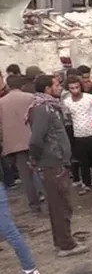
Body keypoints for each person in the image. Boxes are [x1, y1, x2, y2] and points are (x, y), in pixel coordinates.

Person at [27, 75, 89, 257]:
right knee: (60, 205)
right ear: (47, 89)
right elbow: (37, 139)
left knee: (61, 204)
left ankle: (64, 240)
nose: (59, 87)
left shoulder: (49, 106)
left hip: (56, 161)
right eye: (55, 85)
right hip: (52, 163)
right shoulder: (42, 109)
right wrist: (36, 159)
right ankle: (66, 245)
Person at [0, 75, 43, 214]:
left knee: (26, 177)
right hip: (34, 139)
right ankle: (46, 195)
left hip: (15, 144)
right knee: (41, 170)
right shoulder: (30, 98)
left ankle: (34, 205)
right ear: (22, 85)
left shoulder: (1, 102)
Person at [63, 75, 92, 195]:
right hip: (79, 134)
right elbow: (69, 116)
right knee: (83, 161)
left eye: (77, 87)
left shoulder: (90, 98)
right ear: (68, 89)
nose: (75, 90)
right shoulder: (66, 102)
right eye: (72, 88)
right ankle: (86, 183)